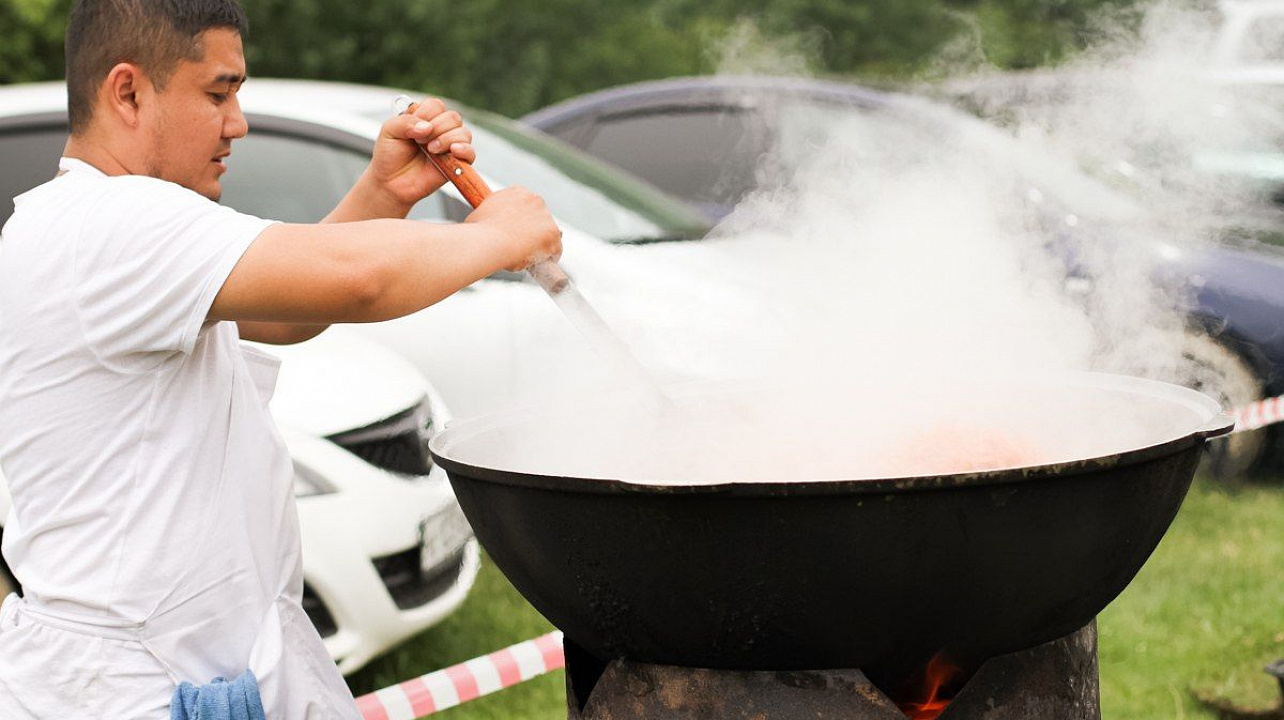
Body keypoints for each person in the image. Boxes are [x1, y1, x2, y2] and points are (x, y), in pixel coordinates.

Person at [0, 0, 562, 718]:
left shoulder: (96, 227)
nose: (238, 122)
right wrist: (497, 233)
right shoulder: (106, 224)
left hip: (168, 671)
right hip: (124, 691)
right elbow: (359, 280)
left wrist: (384, 193)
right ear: (128, 91)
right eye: (218, 93)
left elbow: (285, 313)